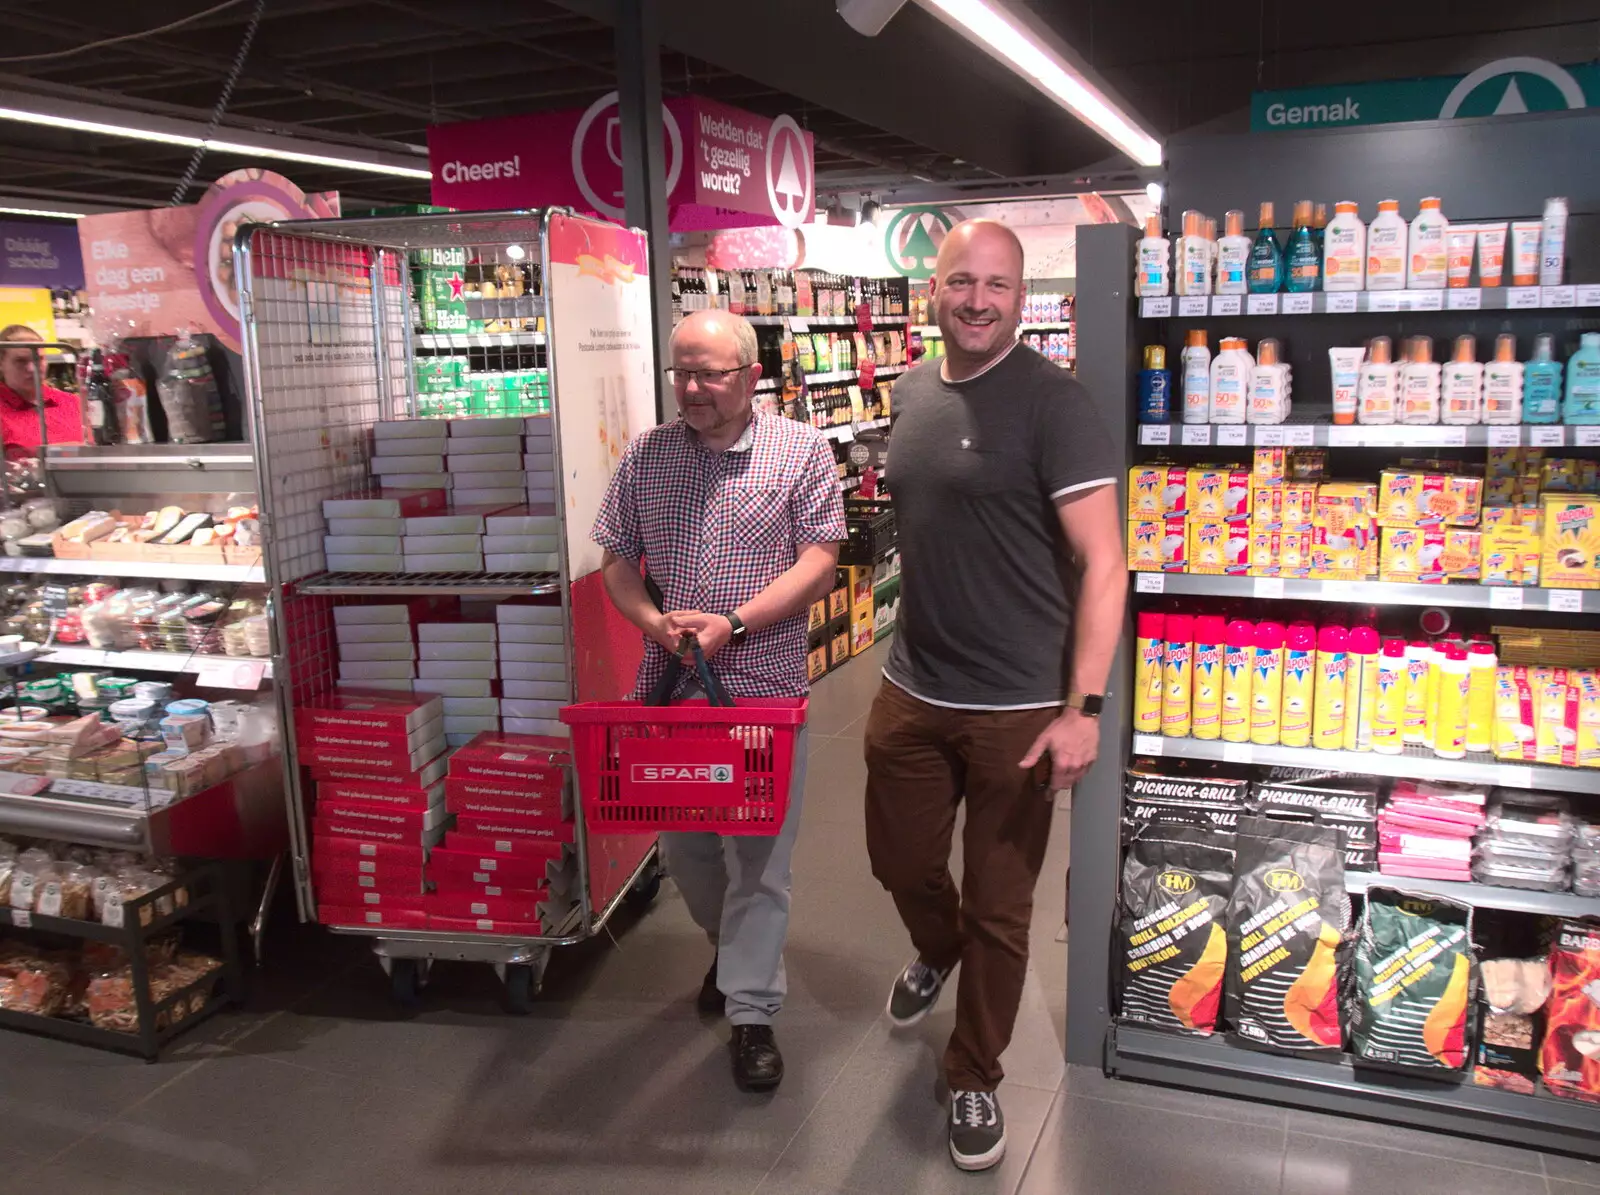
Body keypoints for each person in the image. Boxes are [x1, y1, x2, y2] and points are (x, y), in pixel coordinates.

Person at [863, 219, 1127, 1171]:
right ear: (932, 288)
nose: (978, 299)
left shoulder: (1056, 405)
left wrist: (1082, 709)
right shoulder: (911, 392)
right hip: (911, 683)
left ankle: (974, 1074)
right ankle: (937, 946)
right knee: (898, 860)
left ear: (1022, 298)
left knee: (1002, 908)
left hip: (1019, 705)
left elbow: (1106, 563)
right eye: (961, 281)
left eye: (998, 285)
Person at [592, 308, 847, 1092]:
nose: (694, 389)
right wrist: (656, 626)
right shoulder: (647, 456)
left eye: (710, 374)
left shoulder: (801, 451)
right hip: (669, 692)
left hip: (763, 689)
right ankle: (731, 952)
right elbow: (616, 562)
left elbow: (822, 561)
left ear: (750, 374)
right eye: (682, 373)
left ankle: (751, 1013)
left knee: (761, 859)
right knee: (687, 848)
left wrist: (735, 623)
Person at [0, 325, 82, 458]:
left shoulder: (73, 403)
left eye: (39, 359)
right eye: (20, 361)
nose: (32, 368)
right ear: (1, 363)